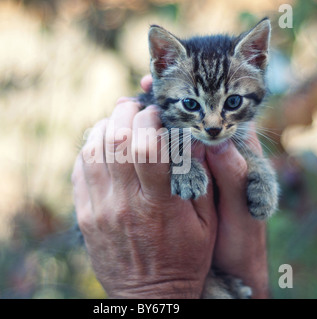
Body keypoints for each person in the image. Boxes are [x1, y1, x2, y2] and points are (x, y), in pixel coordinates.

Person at [71, 75, 269, 299]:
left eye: (231, 102)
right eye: (192, 104)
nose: (213, 124)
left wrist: (160, 289)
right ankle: (210, 283)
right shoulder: (153, 119)